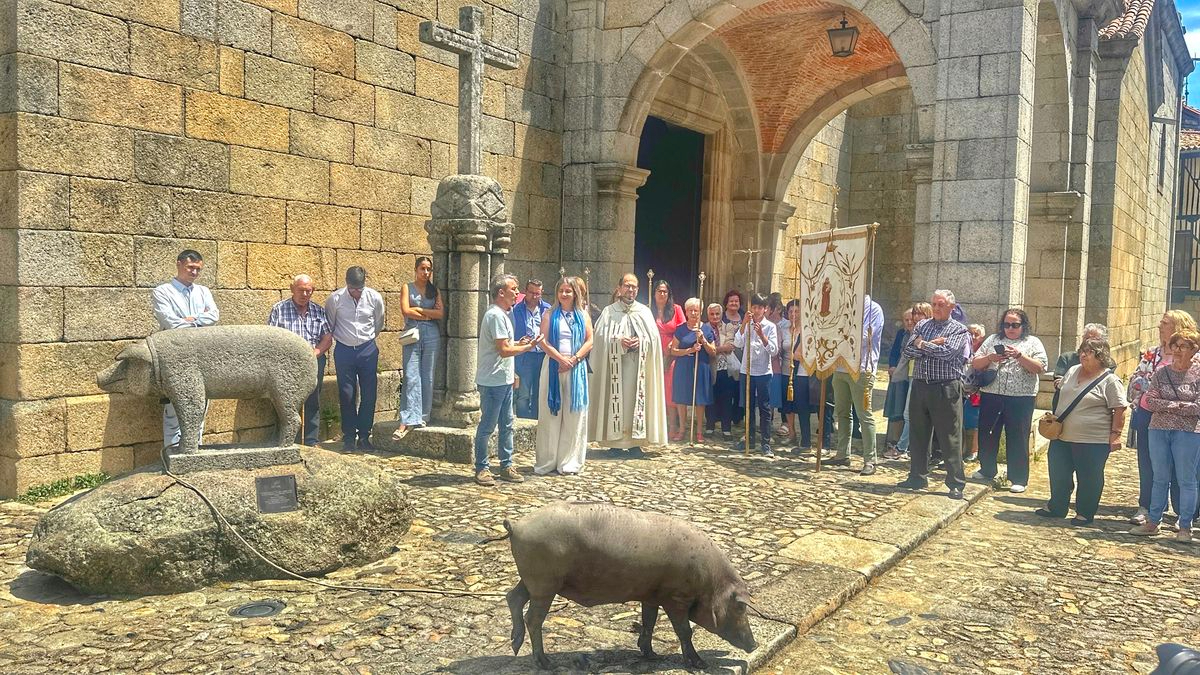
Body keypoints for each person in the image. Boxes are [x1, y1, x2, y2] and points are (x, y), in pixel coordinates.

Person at [1035, 338, 1127, 525]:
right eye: (1082, 351)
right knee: (1058, 471)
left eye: (1089, 352)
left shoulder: (1110, 380)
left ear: (1100, 356)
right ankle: (1057, 506)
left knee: (1089, 476)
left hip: (1092, 440)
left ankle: (1085, 512)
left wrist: (1115, 434)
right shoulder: (1072, 371)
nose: (1083, 355)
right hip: (1061, 435)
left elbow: (1120, 409)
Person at [897, 290, 970, 499]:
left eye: (941, 304)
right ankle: (917, 476)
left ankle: (955, 482)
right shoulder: (921, 325)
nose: (936, 308)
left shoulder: (959, 330)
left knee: (949, 436)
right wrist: (932, 344)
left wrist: (923, 344)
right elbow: (908, 351)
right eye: (934, 304)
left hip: (945, 387)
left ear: (951, 308)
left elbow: (948, 353)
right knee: (918, 433)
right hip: (921, 384)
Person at [1128, 310, 1197, 525]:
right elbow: (1135, 382)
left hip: (1186, 422)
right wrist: (1143, 388)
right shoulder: (1151, 354)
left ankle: (1183, 513)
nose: (1159, 326)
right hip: (1150, 416)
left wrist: (1161, 397)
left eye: (1165, 323)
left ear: (1179, 326)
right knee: (1149, 463)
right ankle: (1147, 507)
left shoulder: (1196, 358)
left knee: (1184, 468)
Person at [589, 273, 669, 455]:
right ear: (619, 288)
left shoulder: (644, 312)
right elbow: (600, 339)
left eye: (633, 286)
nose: (630, 289)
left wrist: (642, 341)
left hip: (638, 368)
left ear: (638, 290)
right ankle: (614, 443)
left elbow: (654, 341)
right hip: (615, 368)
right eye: (627, 285)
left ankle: (635, 442)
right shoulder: (609, 312)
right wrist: (617, 342)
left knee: (636, 401)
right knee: (616, 401)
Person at [969, 309, 1047, 493]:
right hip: (992, 394)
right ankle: (987, 469)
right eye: (1006, 324)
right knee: (987, 433)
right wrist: (990, 358)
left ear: (1023, 325)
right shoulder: (993, 340)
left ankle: (1018, 477)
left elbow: (1040, 367)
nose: (1010, 328)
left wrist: (1020, 356)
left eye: (1015, 325)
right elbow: (975, 362)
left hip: (1021, 397)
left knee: (1018, 437)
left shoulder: (1033, 342)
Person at [475, 273, 541, 486]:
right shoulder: (495, 315)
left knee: (507, 424)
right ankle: (482, 468)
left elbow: (505, 345)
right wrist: (528, 347)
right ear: (501, 292)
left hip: (502, 379)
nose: (517, 293)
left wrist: (518, 344)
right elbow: (503, 350)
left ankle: (506, 465)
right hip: (493, 381)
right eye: (514, 289)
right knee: (487, 425)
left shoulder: (502, 315)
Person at [151, 249, 219, 449]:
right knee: (174, 410)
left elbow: (214, 316)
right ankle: (172, 454)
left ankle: (194, 452)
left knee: (200, 408)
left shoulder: (203, 291)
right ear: (179, 264)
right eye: (191, 268)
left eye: (198, 269)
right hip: (175, 357)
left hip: (201, 356)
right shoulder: (162, 291)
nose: (194, 273)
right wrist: (199, 320)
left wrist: (190, 320)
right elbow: (170, 322)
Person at [534, 277, 593, 476]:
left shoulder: (582, 315)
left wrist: (574, 360)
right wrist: (560, 360)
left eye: (568, 291)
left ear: (575, 293)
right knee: (551, 416)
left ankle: (569, 461)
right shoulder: (549, 314)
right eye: (561, 291)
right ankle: (548, 460)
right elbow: (543, 341)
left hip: (576, 369)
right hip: (553, 367)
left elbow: (590, 341)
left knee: (573, 416)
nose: (564, 294)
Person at [267, 274, 332, 446]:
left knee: (312, 400)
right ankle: (288, 440)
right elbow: (272, 338)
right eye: (301, 290)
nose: (304, 294)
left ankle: (311, 440)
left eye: (308, 291)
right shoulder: (279, 309)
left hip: (313, 360)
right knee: (286, 401)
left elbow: (327, 338)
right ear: (292, 289)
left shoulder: (319, 311)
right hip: (286, 363)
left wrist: (316, 352)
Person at [326, 266, 385, 451]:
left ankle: (364, 436)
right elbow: (331, 323)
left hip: (367, 349)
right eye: (353, 289)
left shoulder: (374, 298)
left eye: (359, 289)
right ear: (346, 284)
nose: (356, 293)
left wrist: (366, 340)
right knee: (347, 393)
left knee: (369, 394)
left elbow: (378, 323)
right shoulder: (335, 299)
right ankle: (349, 437)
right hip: (344, 350)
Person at [828, 294, 885, 475]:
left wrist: (840, 335)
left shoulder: (874, 309)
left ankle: (870, 459)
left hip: (861, 368)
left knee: (864, 414)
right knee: (842, 412)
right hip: (841, 367)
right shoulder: (843, 306)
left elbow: (865, 338)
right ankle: (842, 453)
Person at [394, 256, 444, 440]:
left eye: (428, 269)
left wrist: (421, 311)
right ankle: (407, 418)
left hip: (431, 334)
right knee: (410, 374)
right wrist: (427, 314)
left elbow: (440, 313)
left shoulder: (434, 290)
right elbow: (406, 310)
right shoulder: (407, 287)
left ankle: (423, 415)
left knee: (427, 375)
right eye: (422, 268)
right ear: (416, 269)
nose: (425, 272)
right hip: (412, 333)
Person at [733, 293, 779, 457]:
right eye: (754, 307)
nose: (757, 310)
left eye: (760, 307)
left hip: (763, 372)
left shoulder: (770, 327)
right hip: (747, 371)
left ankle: (765, 443)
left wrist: (761, 335)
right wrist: (744, 324)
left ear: (765, 309)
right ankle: (750, 440)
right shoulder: (747, 324)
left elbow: (774, 351)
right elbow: (737, 343)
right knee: (748, 407)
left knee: (765, 408)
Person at [669, 298, 717, 442]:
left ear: (700, 312)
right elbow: (673, 351)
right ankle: (682, 429)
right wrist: (689, 350)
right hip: (683, 367)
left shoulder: (707, 329)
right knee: (681, 398)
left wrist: (703, 340)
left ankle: (699, 432)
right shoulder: (681, 329)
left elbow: (713, 351)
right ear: (686, 312)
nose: (694, 313)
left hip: (701, 366)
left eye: (696, 310)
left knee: (700, 400)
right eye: (691, 310)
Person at [512, 279, 550, 420]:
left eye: (537, 293)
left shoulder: (547, 309)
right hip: (525, 355)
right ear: (525, 291)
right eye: (531, 292)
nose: (534, 296)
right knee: (524, 392)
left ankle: (537, 421)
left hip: (542, 355)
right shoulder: (516, 309)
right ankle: (523, 421)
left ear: (542, 293)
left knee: (540, 391)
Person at [652, 280, 686, 438]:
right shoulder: (648, 310)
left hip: (672, 354)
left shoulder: (676, 309)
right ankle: (655, 425)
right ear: (654, 293)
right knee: (654, 389)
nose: (662, 294)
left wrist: (672, 344)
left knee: (670, 390)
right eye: (659, 291)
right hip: (653, 353)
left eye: (665, 291)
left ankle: (672, 426)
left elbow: (683, 330)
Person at [883, 309, 914, 454]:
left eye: (911, 320)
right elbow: (894, 351)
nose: (908, 323)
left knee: (908, 411)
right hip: (899, 374)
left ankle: (903, 445)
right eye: (906, 320)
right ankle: (893, 440)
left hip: (911, 375)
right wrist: (892, 366)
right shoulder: (902, 333)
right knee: (896, 408)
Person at [787, 304, 815, 453]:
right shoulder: (803, 332)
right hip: (802, 375)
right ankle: (805, 442)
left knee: (823, 410)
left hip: (816, 375)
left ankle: (825, 444)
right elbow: (795, 354)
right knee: (803, 410)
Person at [1053, 323, 1107, 388]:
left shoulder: (1107, 363)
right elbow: (1058, 382)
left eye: (1094, 339)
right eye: (1087, 338)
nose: (1089, 342)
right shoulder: (1067, 358)